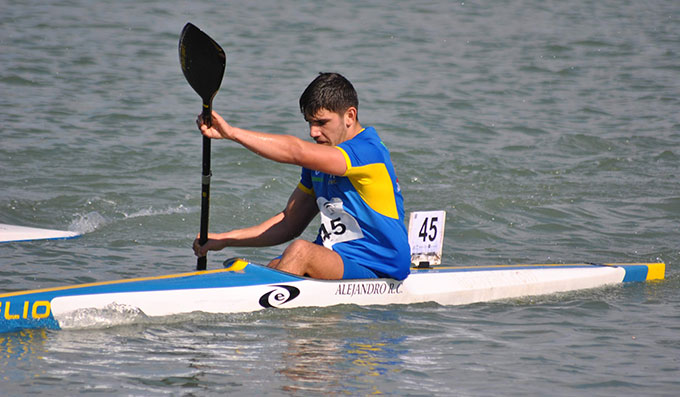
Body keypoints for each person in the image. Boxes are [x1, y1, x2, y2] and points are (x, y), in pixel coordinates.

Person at [193, 72, 410, 280]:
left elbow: (296, 151)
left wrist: (231, 133)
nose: (313, 132)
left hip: (379, 267)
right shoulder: (319, 164)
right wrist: (224, 239)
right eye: (309, 122)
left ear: (350, 116)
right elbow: (289, 222)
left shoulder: (368, 151)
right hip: (337, 261)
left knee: (300, 252)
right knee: (274, 266)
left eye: (321, 122)